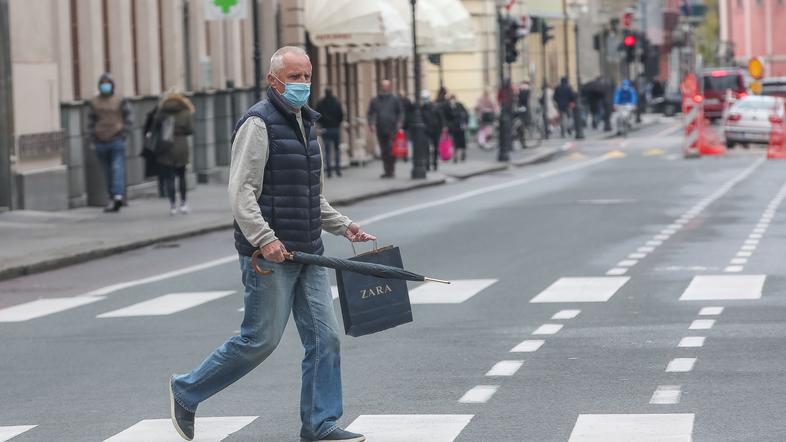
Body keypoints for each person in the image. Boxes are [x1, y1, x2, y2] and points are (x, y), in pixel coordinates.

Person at [168, 46, 375, 442]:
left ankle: (320, 424)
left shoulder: (306, 123)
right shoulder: (258, 124)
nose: (302, 84)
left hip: (309, 252)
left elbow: (311, 197)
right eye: (294, 77)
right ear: (273, 81)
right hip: (270, 256)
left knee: (326, 338)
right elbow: (241, 192)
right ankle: (187, 390)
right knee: (259, 341)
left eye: (306, 76)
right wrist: (264, 239)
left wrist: (344, 226)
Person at [88, 73, 132, 212]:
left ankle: (118, 196)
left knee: (116, 168)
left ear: (112, 85)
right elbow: (91, 121)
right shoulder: (94, 102)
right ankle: (112, 197)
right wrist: (92, 139)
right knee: (107, 173)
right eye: (103, 83)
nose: (105, 86)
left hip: (116, 139)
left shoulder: (120, 100)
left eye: (107, 83)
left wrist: (124, 133)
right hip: (100, 140)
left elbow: (128, 118)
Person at [154, 89, 195, 215]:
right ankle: (183, 203)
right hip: (181, 144)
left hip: (166, 145)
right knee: (182, 175)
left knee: (169, 177)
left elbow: (155, 125)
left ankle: (172, 205)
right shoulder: (185, 111)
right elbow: (190, 130)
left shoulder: (162, 111)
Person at [367, 79, 404, 178]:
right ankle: (387, 170)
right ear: (381, 87)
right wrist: (371, 123)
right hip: (381, 128)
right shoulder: (375, 100)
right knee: (384, 150)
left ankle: (391, 169)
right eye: (383, 86)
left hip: (393, 128)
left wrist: (399, 123)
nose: (385, 87)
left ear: (389, 87)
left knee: (391, 149)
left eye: (387, 86)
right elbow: (370, 113)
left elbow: (401, 112)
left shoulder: (395, 100)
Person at [315, 88, 344, 177]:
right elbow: (341, 115)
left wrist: (322, 123)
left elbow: (317, 115)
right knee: (337, 149)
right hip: (335, 129)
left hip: (325, 129)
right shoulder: (337, 102)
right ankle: (338, 169)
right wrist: (337, 123)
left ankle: (329, 171)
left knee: (327, 151)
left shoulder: (321, 103)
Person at [419, 89, 444, 171]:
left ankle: (435, 163)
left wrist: (442, 128)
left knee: (436, 148)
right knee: (426, 148)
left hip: (436, 130)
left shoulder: (435, 107)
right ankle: (427, 164)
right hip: (426, 131)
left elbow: (440, 118)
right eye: (423, 98)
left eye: (426, 98)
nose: (425, 100)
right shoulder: (421, 109)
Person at [443, 94, 469, 162]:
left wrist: (466, 123)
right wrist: (446, 125)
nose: (452, 101)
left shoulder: (459, 105)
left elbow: (466, 114)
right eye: (451, 99)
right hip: (453, 127)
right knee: (454, 141)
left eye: (453, 99)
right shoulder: (447, 107)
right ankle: (455, 155)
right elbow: (445, 117)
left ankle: (463, 152)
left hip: (461, 125)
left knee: (462, 140)